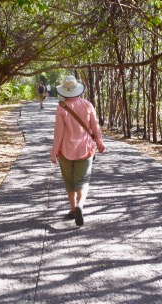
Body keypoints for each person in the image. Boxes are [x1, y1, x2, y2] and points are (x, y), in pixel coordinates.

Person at [50, 76, 105, 226]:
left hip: (65, 150)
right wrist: (99, 141)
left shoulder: (61, 107)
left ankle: (73, 209)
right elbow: (95, 127)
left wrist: (54, 151)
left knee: (70, 181)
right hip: (85, 148)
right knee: (83, 181)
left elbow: (59, 132)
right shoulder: (88, 105)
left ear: (64, 92)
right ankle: (81, 204)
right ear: (77, 90)